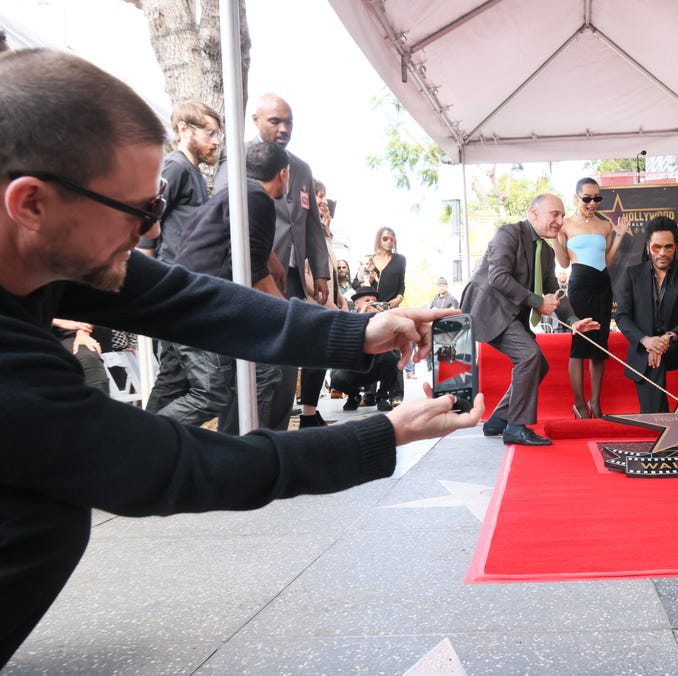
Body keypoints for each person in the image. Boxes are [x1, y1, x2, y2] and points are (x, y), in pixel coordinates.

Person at [0, 48, 483, 665]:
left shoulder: (38, 248)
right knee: (40, 518)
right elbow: (177, 465)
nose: (153, 231)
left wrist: (354, 334)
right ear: (32, 203)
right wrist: (381, 435)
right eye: (140, 211)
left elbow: (193, 301)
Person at [149, 141, 290, 431]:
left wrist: (271, 259)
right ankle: (140, 439)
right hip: (198, 307)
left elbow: (244, 249)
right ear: (284, 174)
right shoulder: (258, 198)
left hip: (185, 303)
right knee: (211, 392)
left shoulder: (231, 196)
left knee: (257, 373)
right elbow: (251, 269)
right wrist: (289, 314)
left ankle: (241, 447)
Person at [217, 93, 334, 431]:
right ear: (255, 120)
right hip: (253, 276)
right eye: (275, 121)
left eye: (289, 122)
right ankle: (246, 439)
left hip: (295, 279)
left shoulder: (301, 168)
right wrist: (267, 259)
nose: (284, 128)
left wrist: (322, 273)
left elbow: (311, 225)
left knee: (288, 365)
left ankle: (278, 440)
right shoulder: (238, 160)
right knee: (257, 368)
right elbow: (232, 214)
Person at [461, 193, 599, 445]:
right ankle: (516, 427)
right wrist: (537, 302)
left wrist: (573, 319)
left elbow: (553, 291)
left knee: (538, 364)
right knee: (529, 356)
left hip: (512, 313)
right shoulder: (508, 234)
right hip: (488, 310)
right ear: (533, 212)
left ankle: (499, 420)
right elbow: (498, 278)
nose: (559, 221)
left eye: (562, 215)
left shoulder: (545, 252)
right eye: (554, 214)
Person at [139, 100, 222, 414]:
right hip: (173, 288)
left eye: (218, 134)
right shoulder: (175, 166)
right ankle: (143, 448)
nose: (215, 141)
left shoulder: (196, 174)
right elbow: (148, 221)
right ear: (184, 129)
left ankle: (144, 450)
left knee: (177, 381)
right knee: (195, 386)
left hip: (186, 286)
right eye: (209, 133)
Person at [615, 217, 678, 413]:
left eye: (668, 247)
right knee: (654, 420)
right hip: (646, 352)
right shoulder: (632, 275)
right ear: (648, 247)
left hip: (675, 346)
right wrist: (646, 341)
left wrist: (668, 337)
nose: (663, 253)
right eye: (657, 247)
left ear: (676, 247)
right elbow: (622, 317)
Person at [553, 177, 629, 419]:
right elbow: (564, 262)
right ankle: (579, 405)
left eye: (597, 198)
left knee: (599, 346)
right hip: (580, 285)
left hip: (602, 284)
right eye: (587, 198)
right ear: (576, 198)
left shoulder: (605, 225)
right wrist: (555, 238)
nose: (593, 202)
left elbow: (607, 261)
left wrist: (619, 236)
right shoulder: (565, 225)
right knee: (579, 347)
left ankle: (595, 403)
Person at [297, 180, 345, 428]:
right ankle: (307, 416)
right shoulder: (301, 229)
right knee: (313, 359)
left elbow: (331, 273)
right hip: (312, 303)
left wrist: (340, 300)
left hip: (326, 302)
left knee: (320, 360)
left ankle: (310, 411)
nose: (324, 201)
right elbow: (303, 271)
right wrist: (324, 300)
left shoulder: (323, 233)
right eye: (318, 195)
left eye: (324, 195)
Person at [330, 286, 400, 412]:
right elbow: (344, 343)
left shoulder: (382, 319)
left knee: (392, 358)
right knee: (336, 378)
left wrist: (382, 320)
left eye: (374, 300)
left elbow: (392, 343)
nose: (371, 303)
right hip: (353, 368)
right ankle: (353, 396)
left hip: (375, 367)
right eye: (367, 300)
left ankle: (382, 397)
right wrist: (361, 318)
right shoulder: (348, 318)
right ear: (357, 304)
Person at [370, 226, 408, 402]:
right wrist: (368, 279)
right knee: (371, 349)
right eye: (386, 238)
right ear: (379, 240)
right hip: (371, 311)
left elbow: (401, 285)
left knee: (394, 349)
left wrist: (399, 298)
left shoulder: (400, 260)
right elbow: (357, 284)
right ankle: (370, 393)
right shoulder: (369, 261)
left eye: (393, 239)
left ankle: (396, 394)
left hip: (391, 309)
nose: (390, 242)